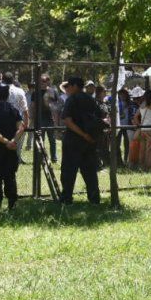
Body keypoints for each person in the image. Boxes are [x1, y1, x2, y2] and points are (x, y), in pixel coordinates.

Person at [59, 75, 101, 204]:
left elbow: (68, 120)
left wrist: (82, 134)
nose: (68, 89)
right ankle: (94, 198)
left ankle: (66, 198)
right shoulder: (91, 99)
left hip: (73, 140)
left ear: (75, 86)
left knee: (69, 171)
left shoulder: (71, 100)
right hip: (90, 141)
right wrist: (88, 136)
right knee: (90, 172)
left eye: (69, 86)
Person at [0, 83, 24, 211]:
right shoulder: (14, 110)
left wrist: (5, 141)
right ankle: (12, 204)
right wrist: (12, 141)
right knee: (10, 177)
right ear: (8, 95)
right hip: (10, 150)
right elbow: (21, 128)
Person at [2, 73, 30, 164]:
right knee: (17, 142)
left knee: (4, 142)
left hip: (3, 121)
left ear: (3, 80)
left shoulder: (0, 90)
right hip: (17, 121)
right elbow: (25, 109)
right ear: (13, 80)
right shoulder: (20, 91)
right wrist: (27, 122)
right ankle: (16, 159)